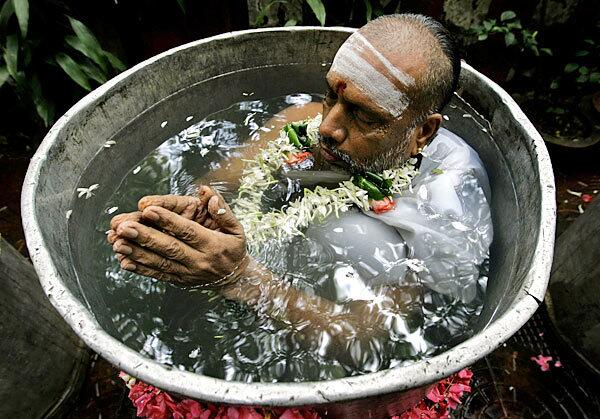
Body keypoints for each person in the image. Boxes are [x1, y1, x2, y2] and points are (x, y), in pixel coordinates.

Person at [107, 14, 492, 354]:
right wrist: (197, 217)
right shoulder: (306, 121)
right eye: (331, 95)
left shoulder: (446, 199)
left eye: (365, 116)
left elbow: (375, 338)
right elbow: (220, 183)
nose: (326, 127)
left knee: (362, 234)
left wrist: (241, 278)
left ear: (422, 132)